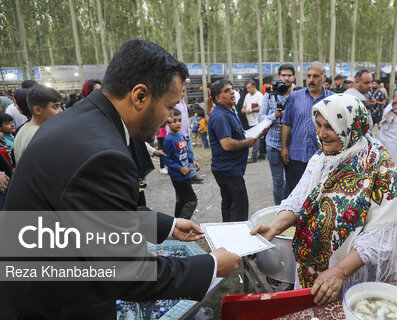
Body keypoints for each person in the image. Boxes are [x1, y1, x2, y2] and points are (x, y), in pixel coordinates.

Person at [1, 39, 240, 319]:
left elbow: (90, 216)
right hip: (54, 304)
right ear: (140, 96)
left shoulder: (80, 121)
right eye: (169, 106)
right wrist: (211, 265)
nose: (169, 118)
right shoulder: (104, 154)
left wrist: (167, 224)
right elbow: (126, 273)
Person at [252, 94, 397, 305]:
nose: (321, 134)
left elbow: (379, 236)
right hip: (321, 264)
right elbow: (300, 199)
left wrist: (339, 271)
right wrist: (274, 227)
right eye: (318, 125)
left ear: (352, 125)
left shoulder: (379, 165)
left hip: (357, 267)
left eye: (330, 127)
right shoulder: (324, 157)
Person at [208, 79, 256, 222]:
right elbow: (227, 144)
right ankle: (236, 239)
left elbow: (236, 134)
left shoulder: (229, 111)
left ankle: (227, 235)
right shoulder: (219, 116)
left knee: (230, 204)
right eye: (226, 91)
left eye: (232, 89)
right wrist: (247, 143)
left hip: (230, 169)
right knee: (239, 207)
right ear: (218, 98)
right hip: (228, 170)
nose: (232, 92)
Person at [281, 62, 334, 191]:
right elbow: (287, 123)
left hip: (323, 157)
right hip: (297, 156)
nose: (311, 80)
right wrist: (283, 147)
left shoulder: (333, 99)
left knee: (318, 195)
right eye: (308, 76)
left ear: (324, 77)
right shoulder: (294, 97)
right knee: (296, 194)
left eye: (315, 76)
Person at [259, 63, 296, 205]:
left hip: (293, 145)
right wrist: (274, 116)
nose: (286, 78)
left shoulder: (297, 94)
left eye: (289, 75)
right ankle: (278, 210)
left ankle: (289, 209)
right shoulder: (269, 94)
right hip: (273, 144)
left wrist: (287, 119)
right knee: (278, 181)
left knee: (292, 179)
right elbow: (261, 117)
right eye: (283, 75)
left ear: (293, 77)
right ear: (279, 77)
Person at [162, 109, 199, 219]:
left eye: (180, 120)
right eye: (174, 121)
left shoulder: (181, 135)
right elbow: (166, 160)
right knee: (192, 200)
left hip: (186, 174)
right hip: (178, 177)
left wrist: (193, 160)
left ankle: (177, 224)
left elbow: (185, 152)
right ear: (168, 123)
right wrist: (180, 168)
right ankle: (183, 225)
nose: (178, 123)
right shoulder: (168, 140)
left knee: (182, 200)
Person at [13, 84, 62, 162]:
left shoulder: (22, 130)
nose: (61, 111)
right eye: (55, 106)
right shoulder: (42, 136)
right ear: (37, 110)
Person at [241, 79, 264, 163]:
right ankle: (261, 154)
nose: (248, 89)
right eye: (247, 88)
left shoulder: (259, 96)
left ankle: (254, 156)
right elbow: (244, 105)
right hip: (250, 121)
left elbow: (261, 107)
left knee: (256, 138)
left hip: (257, 121)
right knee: (258, 138)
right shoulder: (247, 96)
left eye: (249, 88)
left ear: (254, 86)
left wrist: (250, 110)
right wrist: (243, 109)